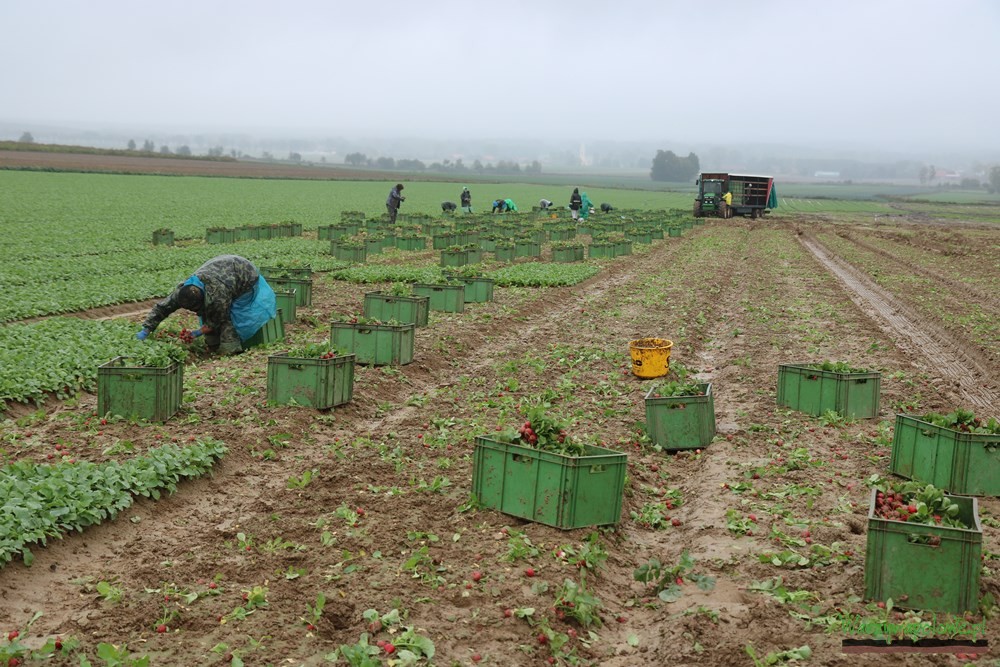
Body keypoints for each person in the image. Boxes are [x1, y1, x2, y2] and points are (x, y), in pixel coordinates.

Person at [136, 254, 276, 355]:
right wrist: (146, 329)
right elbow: (162, 308)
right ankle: (213, 345)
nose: (195, 312)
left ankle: (231, 349)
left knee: (227, 320)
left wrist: (197, 333)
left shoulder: (217, 295)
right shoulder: (182, 291)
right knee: (209, 315)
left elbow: (218, 319)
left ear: (203, 298)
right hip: (222, 269)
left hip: (244, 274)